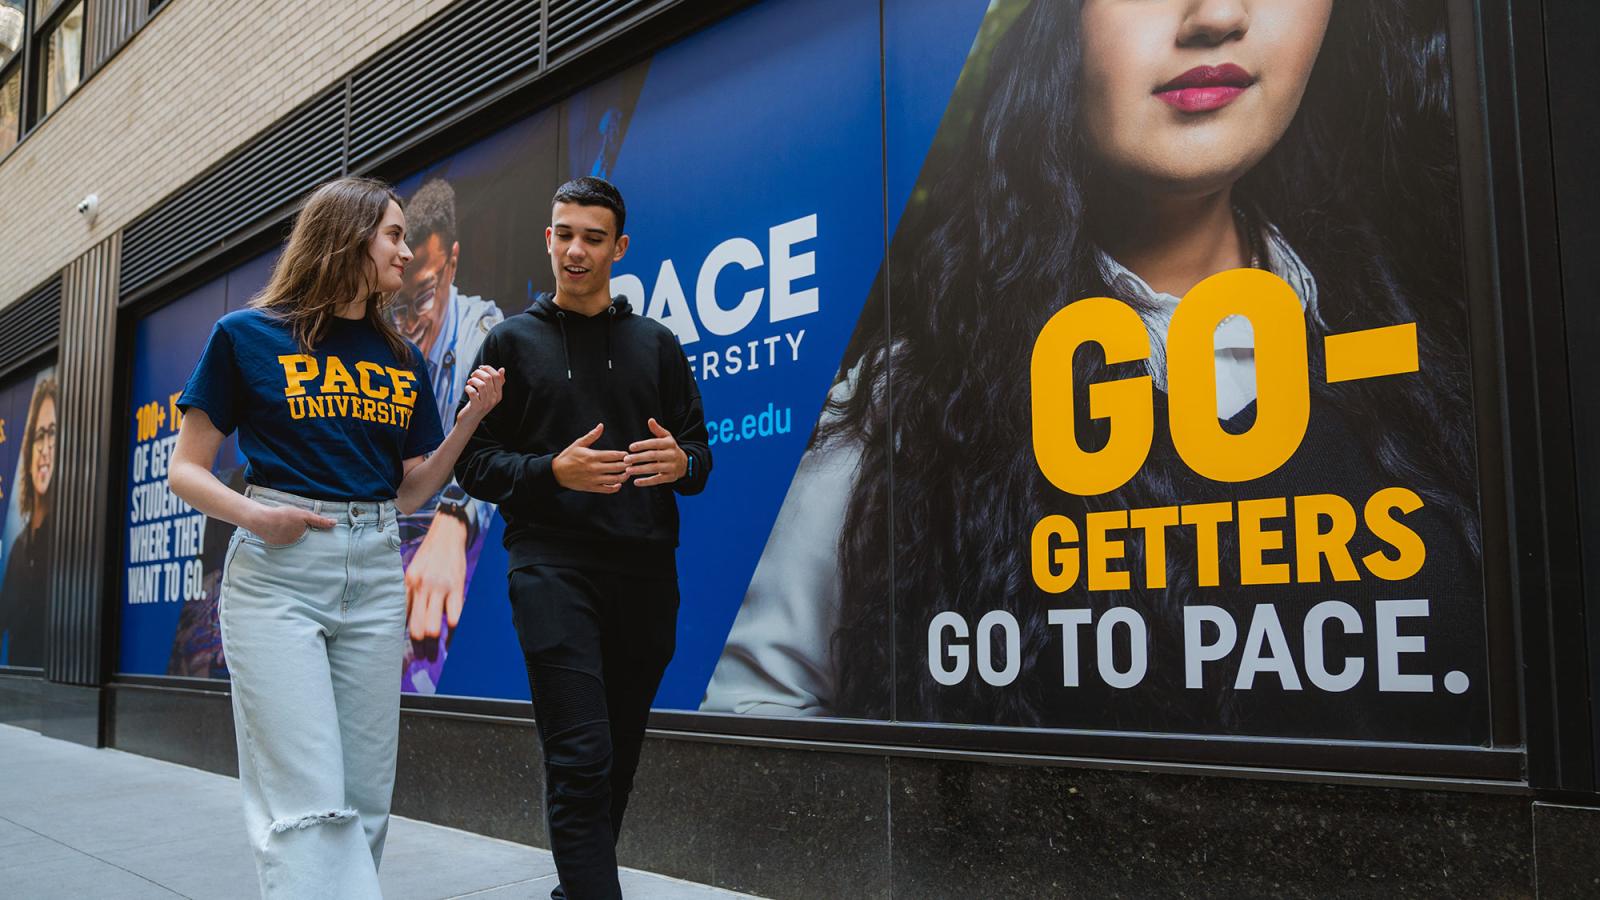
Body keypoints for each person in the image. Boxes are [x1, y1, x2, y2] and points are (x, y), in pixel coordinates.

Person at [703, 0, 1483, 742]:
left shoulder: (1446, 357)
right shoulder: (906, 403)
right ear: (1055, 24)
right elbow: (760, 724)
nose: (1215, 17)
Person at [167, 176, 505, 898]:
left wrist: (470, 421)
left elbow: (411, 488)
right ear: (348, 235)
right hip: (279, 573)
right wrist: (257, 517)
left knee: (365, 798)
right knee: (307, 799)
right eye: (392, 234)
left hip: (376, 569)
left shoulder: (401, 360)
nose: (404, 250)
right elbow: (186, 473)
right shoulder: (245, 337)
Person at [455, 176, 711, 900]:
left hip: (645, 574)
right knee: (580, 753)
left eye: (592, 238)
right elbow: (472, 462)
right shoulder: (509, 341)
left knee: (615, 757)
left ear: (619, 247)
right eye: (564, 233)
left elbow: (699, 453)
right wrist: (552, 471)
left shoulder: (657, 346)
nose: (575, 250)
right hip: (550, 570)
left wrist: (682, 462)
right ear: (547, 237)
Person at [388, 176, 505, 693]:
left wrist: (455, 518)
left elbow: (499, 443)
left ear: (452, 263)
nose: (409, 325)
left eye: (424, 298)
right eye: (396, 306)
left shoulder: (487, 336)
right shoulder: (385, 347)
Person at [0, 376, 57, 668]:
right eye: (40, 435)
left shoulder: (63, 540)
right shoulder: (20, 546)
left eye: (53, 434)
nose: (46, 446)